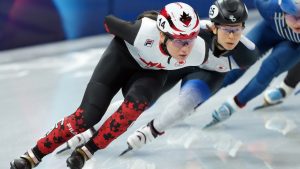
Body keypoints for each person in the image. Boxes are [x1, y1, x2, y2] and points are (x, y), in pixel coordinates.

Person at [10, 2, 207, 169]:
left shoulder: (198, 51)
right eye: (180, 41)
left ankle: (88, 150)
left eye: (190, 40)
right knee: (85, 118)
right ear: (162, 35)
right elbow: (109, 22)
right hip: (120, 59)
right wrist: (139, 20)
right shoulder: (142, 32)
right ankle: (33, 155)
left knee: (135, 106)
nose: (186, 48)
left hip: (150, 73)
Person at [122, 0, 259, 153]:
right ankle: (95, 126)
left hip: (209, 73)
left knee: (187, 102)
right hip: (180, 64)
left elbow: (231, 78)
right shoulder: (195, 29)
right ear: (213, 27)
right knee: (140, 100)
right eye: (227, 30)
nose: (232, 36)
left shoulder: (248, 54)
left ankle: (148, 133)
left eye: (237, 29)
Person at [204, 0, 300, 128]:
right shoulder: (267, 7)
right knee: (235, 65)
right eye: (295, 16)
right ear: (282, 12)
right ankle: (196, 100)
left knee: (269, 69)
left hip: (294, 46)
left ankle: (232, 106)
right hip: (269, 29)